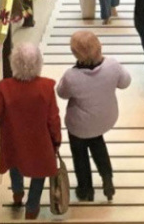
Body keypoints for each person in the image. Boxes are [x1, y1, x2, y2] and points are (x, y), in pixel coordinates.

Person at [0, 42, 61, 221]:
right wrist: (56, 140)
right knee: (39, 174)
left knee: (15, 166)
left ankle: (17, 195)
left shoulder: (5, 87)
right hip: (40, 143)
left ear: (14, 63)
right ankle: (32, 209)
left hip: (14, 141)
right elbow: (53, 119)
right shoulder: (47, 87)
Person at [55, 31, 130, 203]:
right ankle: (107, 178)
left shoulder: (71, 76)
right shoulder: (112, 65)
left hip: (79, 125)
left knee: (80, 154)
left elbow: (62, 93)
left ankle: (85, 190)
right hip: (105, 118)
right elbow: (125, 82)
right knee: (97, 142)